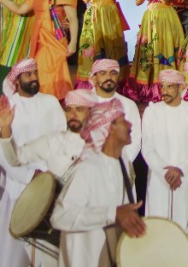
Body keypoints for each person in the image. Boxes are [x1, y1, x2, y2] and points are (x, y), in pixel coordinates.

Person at [50, 99, 146, 267]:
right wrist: (112, 214)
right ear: (110, 128)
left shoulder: (122, 163)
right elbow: (60, 217)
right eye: (123, 120)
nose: (130, 124)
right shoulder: (87, 167)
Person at [0, 58, 66, 267]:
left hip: (48, 185)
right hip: (16, 186)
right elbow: (2, 152)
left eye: (35, 73)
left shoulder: (51, 102)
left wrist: (47, 174)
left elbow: (62, 140)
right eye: (28, 75)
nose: (34, 78)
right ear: (16, 80)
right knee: (13, 253)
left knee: (47, 252)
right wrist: (29, 175)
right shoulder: (5, 106)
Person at [142, 69, 188, 262]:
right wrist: (165, 172)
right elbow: (147, 147)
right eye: (162, 86)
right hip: (159, 181)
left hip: (184, 180)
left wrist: (180, 170)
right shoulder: (152, 112)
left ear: (181, 88)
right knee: (158, 228)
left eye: (169, 87)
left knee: (184, 227)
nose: (164, 91)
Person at [0, 88, 96, 182]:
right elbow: (16, 158)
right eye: (69, 110)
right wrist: (5, 128)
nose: (72, 115)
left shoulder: (101, 144)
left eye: (79, 109)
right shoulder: (54, 140)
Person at [127, 0, 185, 99]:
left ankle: (167, 84)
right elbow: (138, 1)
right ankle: (148, 85)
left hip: (165, 17)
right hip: (150, 18)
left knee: (164, 47)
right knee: (149, 49)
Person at [23, 0, 79, 101]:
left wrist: (73, 42)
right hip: (40, 38)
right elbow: (23, 9)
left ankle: (51, 104)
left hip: (54, 39)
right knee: (42, 75)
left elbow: (72, 17)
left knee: (50, 77)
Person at [89, 59, 141, 164]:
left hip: (120, 165)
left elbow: (134, 140)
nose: (108, 77)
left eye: (113, 73)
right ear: (94, 78)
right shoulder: (83, 103)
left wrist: (120, 165)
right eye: (103, 73)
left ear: (117, 77)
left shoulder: (128, 105)